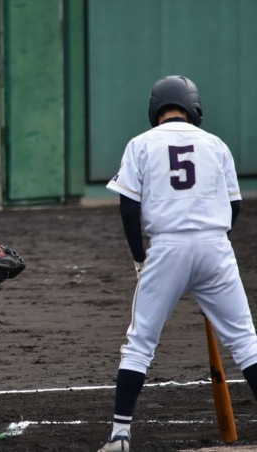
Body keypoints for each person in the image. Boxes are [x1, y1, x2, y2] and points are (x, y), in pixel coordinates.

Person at [97, 75, 257, 452]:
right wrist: (210, 256)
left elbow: (128, 208)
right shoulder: (216, 144)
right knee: (246, 342)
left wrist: (140, 257)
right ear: (193, 108)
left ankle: (120, 436)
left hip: (167, 248)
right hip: (216, 245)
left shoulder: (140, 144)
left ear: (155, 109)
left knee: (140, 343)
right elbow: (235, 206)